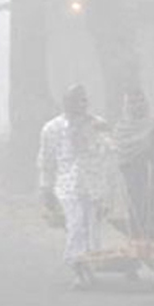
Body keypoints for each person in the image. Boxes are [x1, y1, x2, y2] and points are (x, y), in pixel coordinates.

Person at [37, 85, 114, 289]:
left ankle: (90, 268)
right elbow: (46, 160)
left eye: (81, 100)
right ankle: (78, 268)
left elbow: (110, 153)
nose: (77, 105)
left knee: (92, 227)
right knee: (76, 225)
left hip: (94, 183)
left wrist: (98, 136)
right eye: (72, 100)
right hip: (67, 185)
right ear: (64, 103)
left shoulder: (98, 124)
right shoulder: (51, 128)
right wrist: (45, 188)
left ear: (86, 103)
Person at [112, 88, 154, 242]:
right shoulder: (120, 129)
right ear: (126, 106)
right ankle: (138, 240)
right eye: (132, 102)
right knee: (135, 207)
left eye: (140, 100)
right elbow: (120, 151)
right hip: (131, 175)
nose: (137, 105)